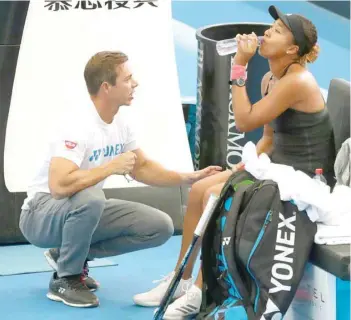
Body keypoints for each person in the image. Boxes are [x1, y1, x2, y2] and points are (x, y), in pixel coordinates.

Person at [133, 5, 336, 319]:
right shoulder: (271, 76)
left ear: (293, 49)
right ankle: (181, 281)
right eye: (270, 27)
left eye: (278, 31)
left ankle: (203, 292)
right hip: (276, 166)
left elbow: (243, 121)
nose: (267, 33)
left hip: (303, 179)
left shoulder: (299, 82)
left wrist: (239, 65)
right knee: (200, 189)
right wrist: (244, 167)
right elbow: (267, 135)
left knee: (216, 197)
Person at [18, 51, 222, 308]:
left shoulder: (121, 122)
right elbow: (59, 186)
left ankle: (68, 256)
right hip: (40, 215)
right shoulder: (77, 124)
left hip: (79, 208)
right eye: (127, 79)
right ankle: (66, 279)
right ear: (106, 87)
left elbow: (143, 167)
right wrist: (110, 167)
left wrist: (189, 177)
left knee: (159, 226)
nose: (134, 83)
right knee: (92, 196)